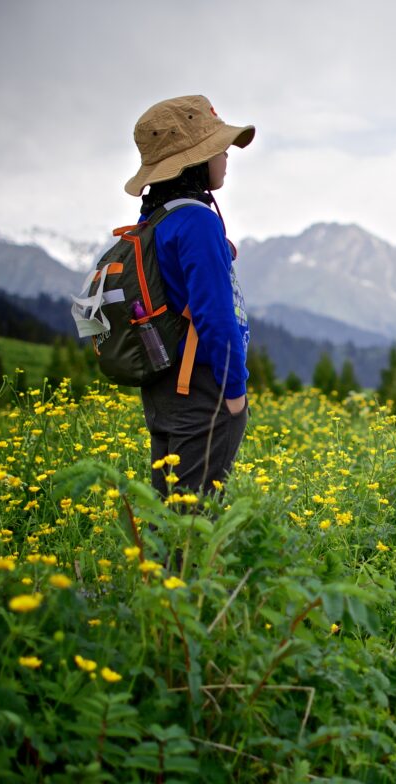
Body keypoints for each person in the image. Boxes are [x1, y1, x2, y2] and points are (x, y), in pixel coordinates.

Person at [123, 95, 254, 495]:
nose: (227, 155)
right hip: (199, 389)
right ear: (194, 161)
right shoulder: (197, 220)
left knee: (171, 513)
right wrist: (234, 394)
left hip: (164, 387)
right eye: (218, 148)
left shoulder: (157, 217)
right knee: (195, 521)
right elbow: (215, 317)